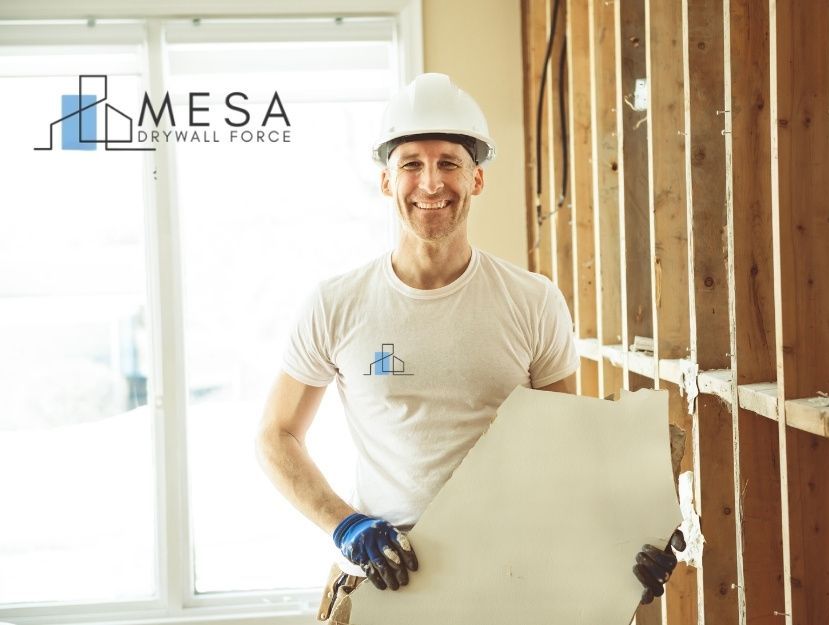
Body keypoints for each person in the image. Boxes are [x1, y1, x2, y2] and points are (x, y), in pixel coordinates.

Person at [256, 72, 680, 623]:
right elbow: (276, 435)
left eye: (449, 163)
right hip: (387, 581)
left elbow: (567, 457)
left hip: (511, 578)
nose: (431, 183)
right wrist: (345, 524)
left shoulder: (532, 302)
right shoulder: (336, 305)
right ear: (386, 181)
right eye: (411, 163)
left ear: (477, 179)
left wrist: (622, 551)